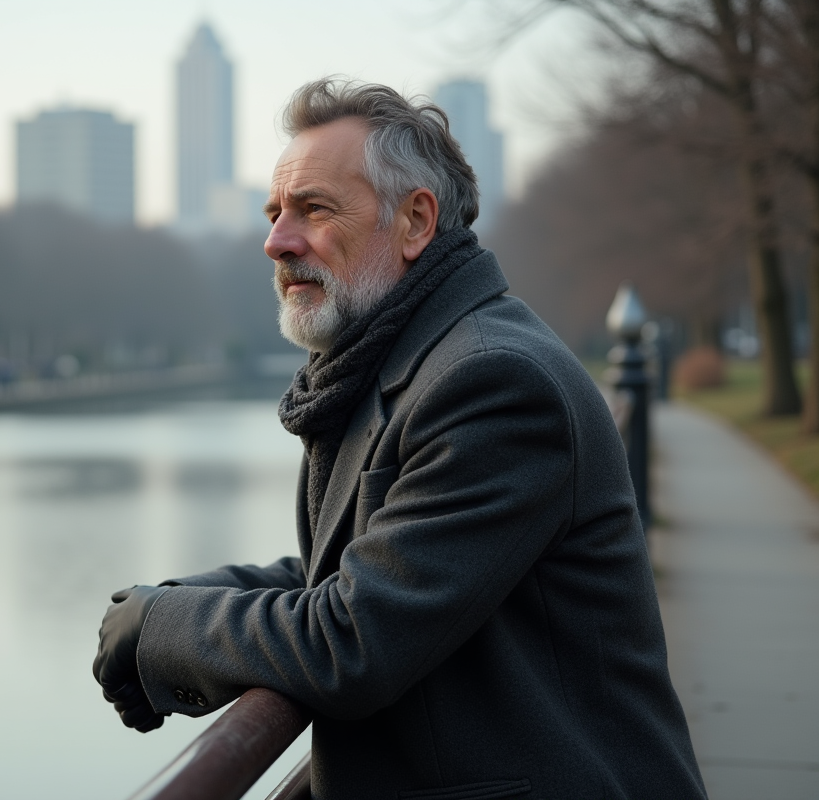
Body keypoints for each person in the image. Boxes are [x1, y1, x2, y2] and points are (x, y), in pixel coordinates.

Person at [93, 79, 706, 799]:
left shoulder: (492, 382)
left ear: (416, 221)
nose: (276, 240)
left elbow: (352, 639)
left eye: (313, 209)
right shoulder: (407, 358)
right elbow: (361, 566)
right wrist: (163, 608)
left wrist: (168, 628)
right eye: (275, 212)